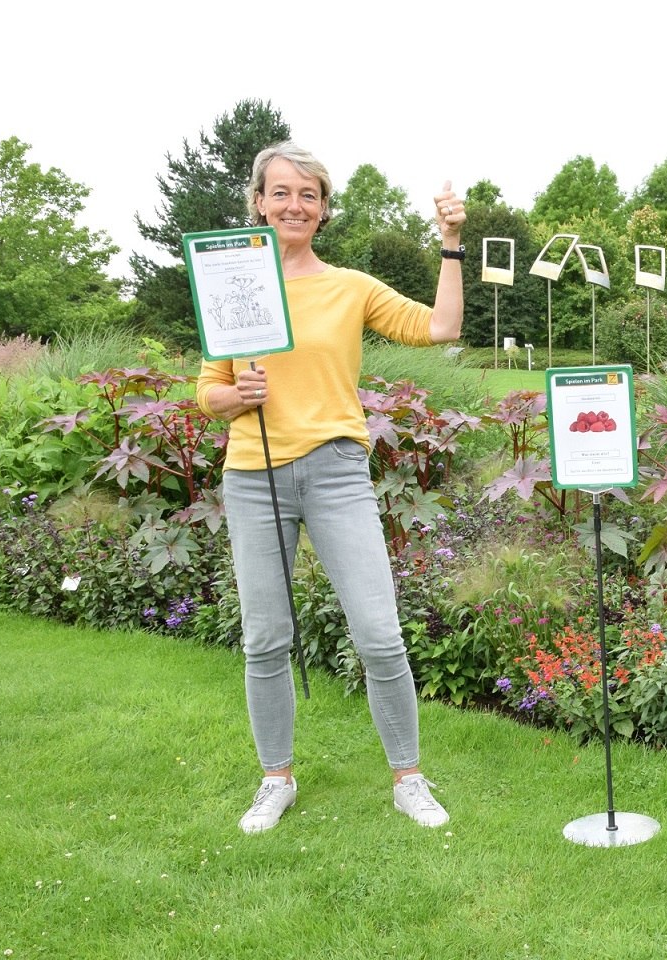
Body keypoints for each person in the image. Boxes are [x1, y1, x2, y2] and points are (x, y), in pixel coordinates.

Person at [196, 142, 464, 834]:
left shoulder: (351, 287)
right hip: (254, 477)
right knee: (264, 638)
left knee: (379, 634)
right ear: (258, 202)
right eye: (281, 192)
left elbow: (440, 327)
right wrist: (236, 394)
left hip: (337, 470)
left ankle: (409, 777)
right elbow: (209, 394)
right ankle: (275, 778)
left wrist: (451, 244)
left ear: (323, 210)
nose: (294, 205)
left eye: (308, 195)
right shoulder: (233, 286)